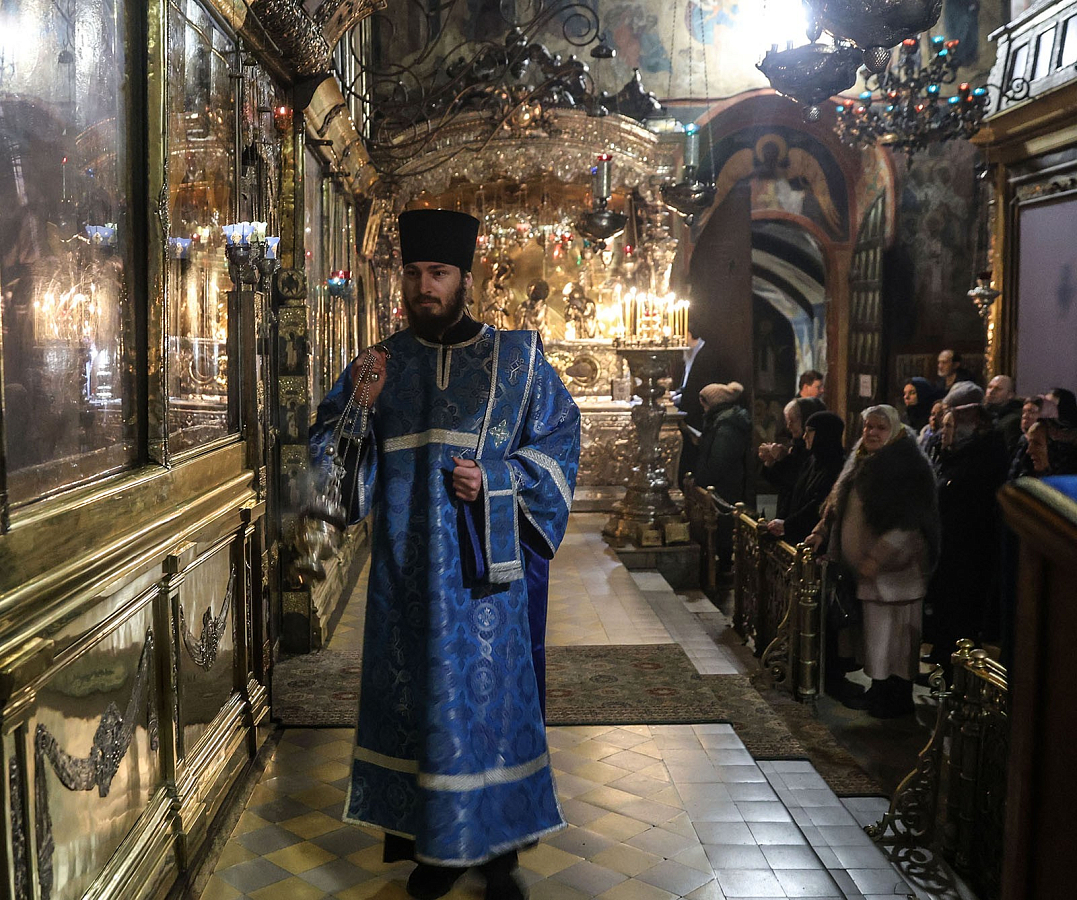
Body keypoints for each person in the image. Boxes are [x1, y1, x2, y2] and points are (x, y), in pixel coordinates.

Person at [310, 209, 581, 900]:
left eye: (437, 273)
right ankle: (437, 849)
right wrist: (358, 410)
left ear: (466, 278)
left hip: (486, 585)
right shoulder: (377, 365)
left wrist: (496, 479)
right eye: (412, 273)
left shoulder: (517, 359)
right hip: (405, 581)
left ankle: (500, 854)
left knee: (492, 711)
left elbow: (559, 445)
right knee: (423, 711)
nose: (423, 286)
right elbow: (329, 475)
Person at [807, 405, 940, 718]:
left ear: (894, 431)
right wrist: (820, 531)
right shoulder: (861, 458)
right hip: (869, 575)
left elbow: (908, 525)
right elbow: (838, 502)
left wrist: (878, 558)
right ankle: (879, 691)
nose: (872, 433)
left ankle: (896, 699)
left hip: (897, 573)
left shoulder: (907, 467)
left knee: (898, 641)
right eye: (868, 426)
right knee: (877, 641)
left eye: (880, 427)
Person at [924, 404, 1010, 672]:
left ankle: (954, 671)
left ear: (967, 431)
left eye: (949, 426)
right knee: (945, 606)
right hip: (950, 546)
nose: (943, 431)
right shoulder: (955, 456)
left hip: (967, 551)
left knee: (960, 612)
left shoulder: (980, 462)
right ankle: (942, 656)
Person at [766, 411, 845, 545]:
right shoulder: (812, 460)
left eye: (809, 432)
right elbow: (794, 491)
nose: (804, 436)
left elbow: (818, 505)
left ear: (823, 433)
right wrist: (782, 520)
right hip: (794, 535)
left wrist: (788, 524)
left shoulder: (837, 467)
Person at [759, 397, 827, 519]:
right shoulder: (796, 445)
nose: (789, 426)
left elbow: (798, 481)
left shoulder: (815, 452)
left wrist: (782, 459)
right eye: (787, 421)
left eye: (793, 421)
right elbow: (780, 483)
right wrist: (770, 462)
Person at [673, 329, 722, 485]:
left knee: (692, 458)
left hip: (698, 416)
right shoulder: (690, 353)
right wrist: (676, 395)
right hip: (689, 413)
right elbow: (686, 386)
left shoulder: (707, 355)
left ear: (687, 334)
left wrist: (680, 399)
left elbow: (700, 389)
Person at [695, 381, 752, 504]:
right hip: (726, 486)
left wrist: (703, 480)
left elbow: (719, 461)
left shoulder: (726, 426)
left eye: (704, 405)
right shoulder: (724, 421)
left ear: (712, 403)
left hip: (723, 489)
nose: (704, 410)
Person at [984, 375, 1024, 454]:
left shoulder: (1013, 421)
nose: (991, 392)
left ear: (1010, 395)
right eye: (989, 387)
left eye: (998, 389)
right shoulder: (983, 414)